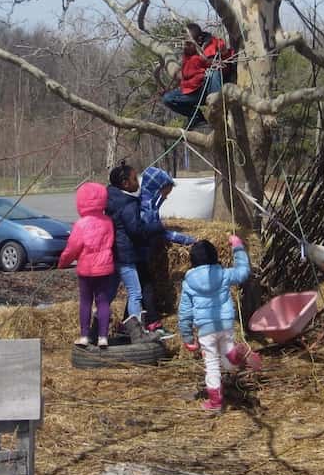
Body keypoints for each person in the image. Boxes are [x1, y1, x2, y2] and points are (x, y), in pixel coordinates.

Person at [178, 236, 254, 412]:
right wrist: (237, 247)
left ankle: (215, 402)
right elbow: (243, 272)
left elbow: (185, 313)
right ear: (215, 257)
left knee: (211, 364)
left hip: (205, 329)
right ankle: (232, 353)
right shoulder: (224, 274)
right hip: (225, 323)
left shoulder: (189, 283)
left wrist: (188, 337)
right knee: (226, 350)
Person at [136, 166, 195, 337]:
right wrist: (187, 240)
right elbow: (158, 231)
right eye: (166, 192)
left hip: (144, 252)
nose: (167, 196)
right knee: (145, 287)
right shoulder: (146, 207)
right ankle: (153, 322)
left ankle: (129, 321)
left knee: (140, 288)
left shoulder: (150, 203)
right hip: (140, 253)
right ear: (157, 188)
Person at [58, 182, 115, 348]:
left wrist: (63, 262)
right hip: (105, 267)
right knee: (103, 302)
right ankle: (103, 337)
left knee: (85, 301)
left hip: (86, 268)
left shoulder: (81, 224)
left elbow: (72, 248)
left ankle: (84, 335)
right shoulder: (108, 222)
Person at [104, 161, 147, 338]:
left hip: (112, 252)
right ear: (125, 183)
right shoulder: (128, 203)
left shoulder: (110, 198)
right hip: (125, 254)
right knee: (135, 292)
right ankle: (136, 332)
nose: (138, 182)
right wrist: (149, 229)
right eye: (135, 179)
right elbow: (134, 230)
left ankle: (96, 326)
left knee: (109, 293)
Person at [162, 22, 232, 129]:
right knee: (168, 98)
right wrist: (171, 88)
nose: (185, 46)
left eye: (188, 43)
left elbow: (224, 57)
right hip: (193, 91)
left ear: (198, 40)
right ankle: (196, 117)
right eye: (184, 43)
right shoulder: (188, 51)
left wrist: (220, 56)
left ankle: (219, 110)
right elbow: (187, 76)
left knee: (213, 73)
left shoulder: (212, 45)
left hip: (209, 88)